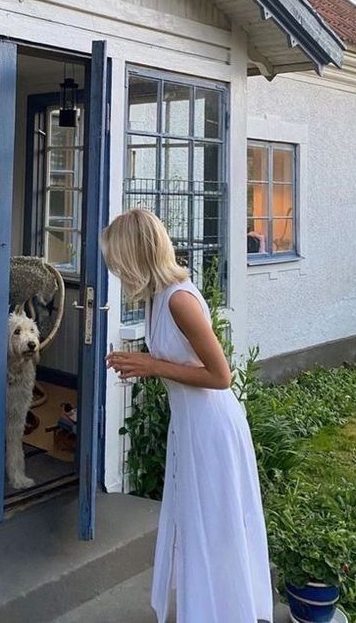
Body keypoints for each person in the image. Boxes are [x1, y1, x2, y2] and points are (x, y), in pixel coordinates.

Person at [102, 208, 273, 623]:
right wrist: (144, 361)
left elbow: (221, 375)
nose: (117, 272)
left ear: (137, 256)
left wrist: (151, 366)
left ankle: (226, 611)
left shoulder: (179, 300)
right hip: (191, 426)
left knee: (216, 527)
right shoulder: (158, 298)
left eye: (118, 262)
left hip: (213, 428)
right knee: (198, 525)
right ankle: (209, 609)